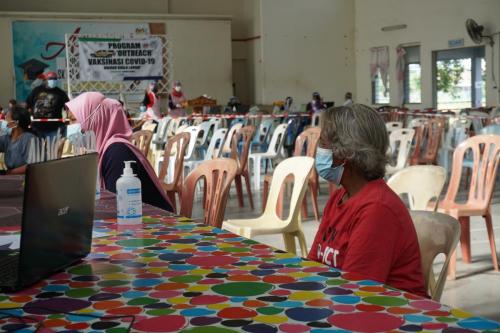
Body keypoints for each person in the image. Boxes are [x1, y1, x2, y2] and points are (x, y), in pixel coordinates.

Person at [308, 104, 427, 298]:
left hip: (392, 313)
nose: (317, 150)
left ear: (345, 152)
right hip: (348, 303)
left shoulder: (376, 210)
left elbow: (354, 292)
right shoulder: (340, 197)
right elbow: (313, 265)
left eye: (323, 142)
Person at [65, 92, 173, 212]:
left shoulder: (117, 152)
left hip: (153, 224)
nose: (70, 126)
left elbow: (114, 208)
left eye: (74, 120)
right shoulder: (104, 150)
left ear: (96, 119)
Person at [26, 71, 69, 139]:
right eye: (51, 78)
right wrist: (29, 119)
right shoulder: (36, 91)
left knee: (53, 148)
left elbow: (67, 108)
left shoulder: (61, 93)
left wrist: (67, 120)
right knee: (37, 148)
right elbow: (28, 105)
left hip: (54, 128)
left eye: (55, 79)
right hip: (37, 128)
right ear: (45, 80)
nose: (53, 80)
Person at [0, 106, 36, 175]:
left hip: (26, 180)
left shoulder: (29, 139)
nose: (3, 122)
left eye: (6, 118)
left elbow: (33, 166)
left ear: (15, 123)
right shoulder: (7, 138)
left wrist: (9, 173)